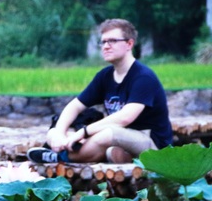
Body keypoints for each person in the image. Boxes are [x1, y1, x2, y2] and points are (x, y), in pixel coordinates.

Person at [28, 18, 173, 164]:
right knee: (54, 131)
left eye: (112, 41)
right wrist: (59, 134)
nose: (106, 46)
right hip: (121, 140)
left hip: (153, 145)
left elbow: (125, 118)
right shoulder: (105, 76)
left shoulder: (143, 77)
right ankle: (120, 156)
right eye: (103, 42)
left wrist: (84, 132)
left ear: (129, 44)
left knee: (107, 134)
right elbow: (75, 106)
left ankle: (59, 157)